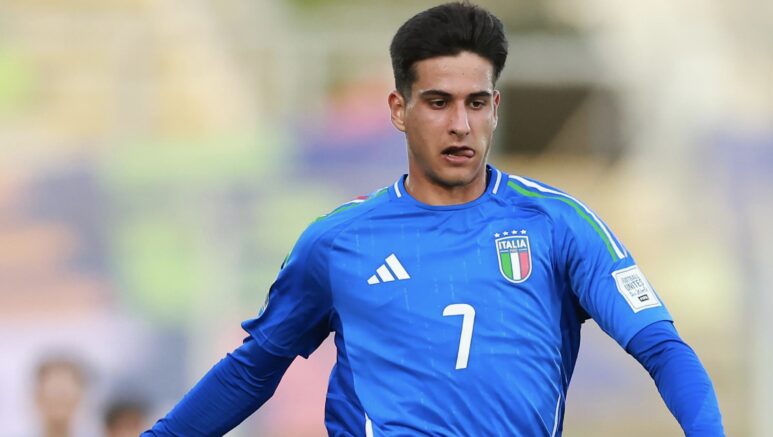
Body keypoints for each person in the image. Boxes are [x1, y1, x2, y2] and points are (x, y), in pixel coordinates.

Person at [144, 2, 725, 435]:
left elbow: (663, 347)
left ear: (496, 109)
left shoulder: (558, 224)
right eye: (439, 102)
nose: (460, 125)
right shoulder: (339, 242)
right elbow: (253, 370)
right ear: (399, 109)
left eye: (476, 103)